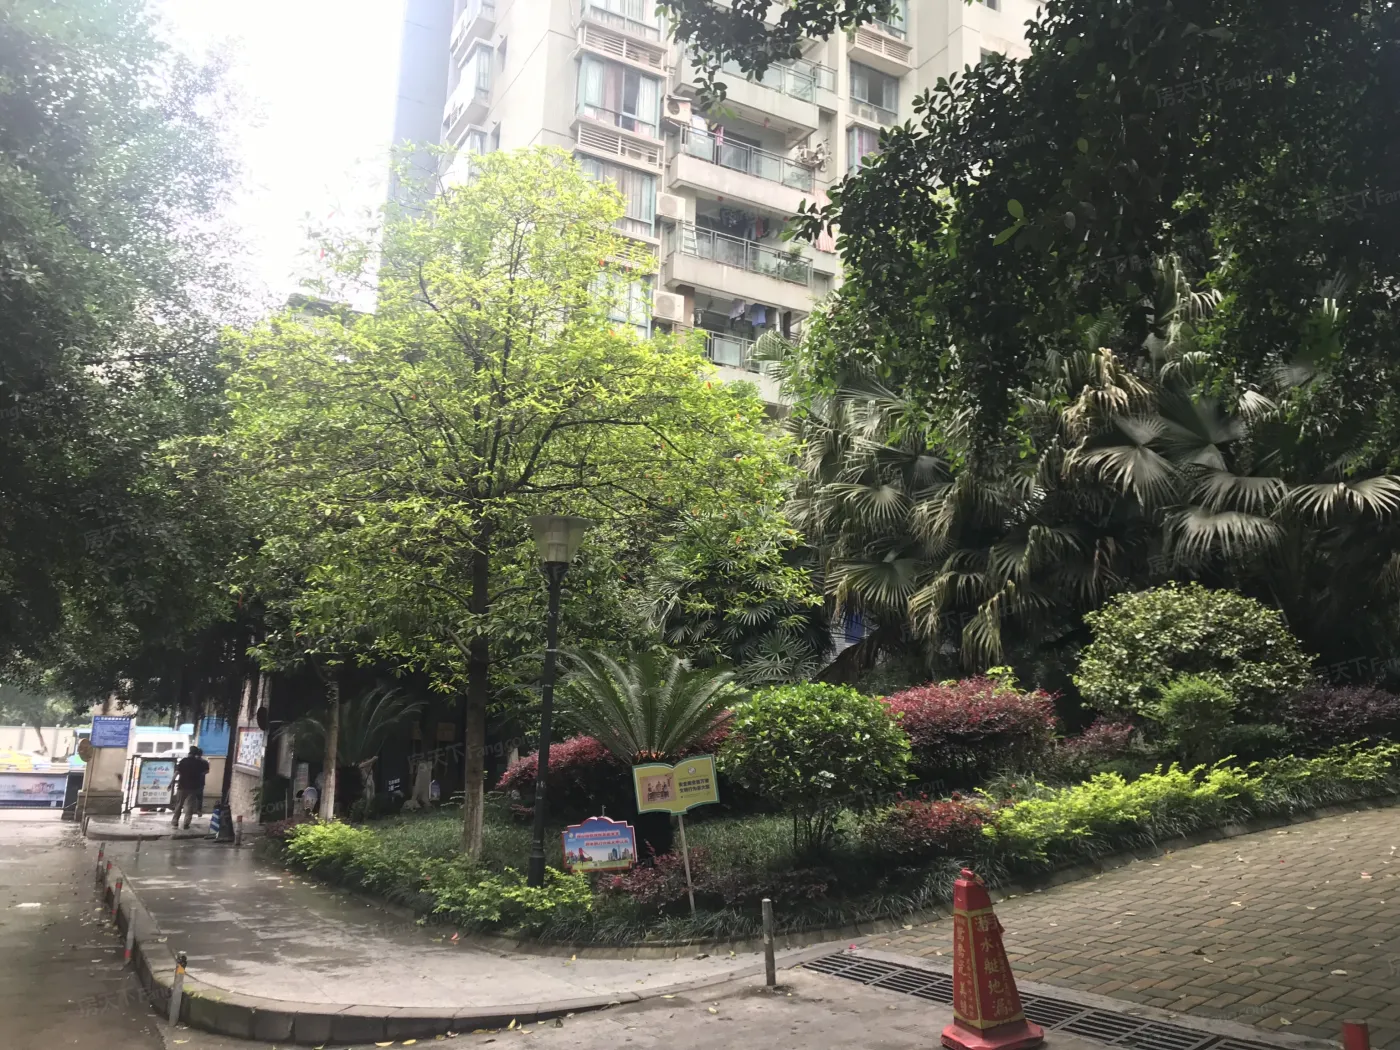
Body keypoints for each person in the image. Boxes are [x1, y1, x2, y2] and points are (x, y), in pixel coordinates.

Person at [171, 746, 210, 829]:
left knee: (179, 804)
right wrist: (198, 775)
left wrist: (171, 782)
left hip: (182, 786)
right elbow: (205, 771)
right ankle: (186, 823)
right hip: (193, 787)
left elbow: (177, 772)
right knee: (190, 806)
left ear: (189, 752)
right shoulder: (199, 763)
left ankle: (175, 821)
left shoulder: (183, 761)